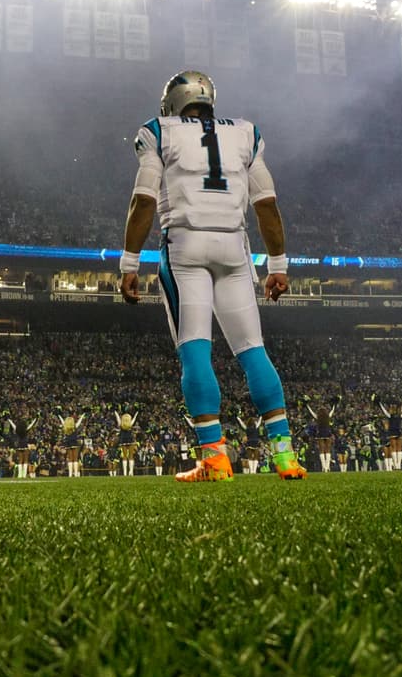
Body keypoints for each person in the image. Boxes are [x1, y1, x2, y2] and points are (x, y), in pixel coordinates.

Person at [119, 70, 304, 482]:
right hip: (235, 249)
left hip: (185, 244)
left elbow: (144, 198)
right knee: (253, 349)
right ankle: (285, 456)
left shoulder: (156, 131)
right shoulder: (245, 132)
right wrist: (278, 266)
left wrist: (129, 262)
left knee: (195, 351)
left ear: (173, 101)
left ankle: (216, 459)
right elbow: (267, 204)